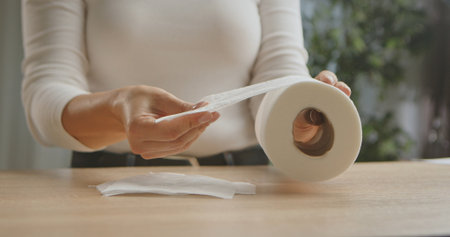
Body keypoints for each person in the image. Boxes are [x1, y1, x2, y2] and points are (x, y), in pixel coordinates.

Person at [21, 0, 351, 167]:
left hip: (244, 188)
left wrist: (297, 115)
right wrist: (115, 110)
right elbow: (46, 91)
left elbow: (279, 71)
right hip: (107, 184)